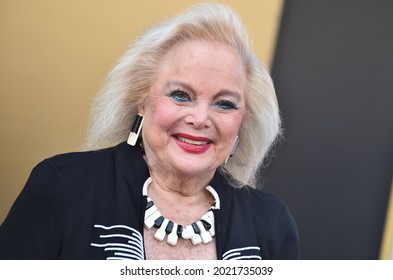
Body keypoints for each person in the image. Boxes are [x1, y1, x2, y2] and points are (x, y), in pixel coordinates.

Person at [0, 3, 299, 260]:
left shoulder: (271, 223)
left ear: (243, 121)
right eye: (181, 95)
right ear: (141, 101)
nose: (200, 118)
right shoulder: (61, 187)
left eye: (224, 104)